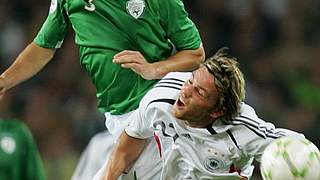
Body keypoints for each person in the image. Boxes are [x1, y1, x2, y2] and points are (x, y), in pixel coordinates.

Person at [0, 0, 204, 178]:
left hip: (156, 107)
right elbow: (44, 47)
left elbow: (195, 53)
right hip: (117, 115)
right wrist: (4, 81)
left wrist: (153, 69)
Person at [98, 48, 304, 180]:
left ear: (217, 111)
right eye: (191, 81)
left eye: (199, 92)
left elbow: (296, 147)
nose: (186, 91)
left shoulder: (242, 129)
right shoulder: (161, 99)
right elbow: (128, 144)